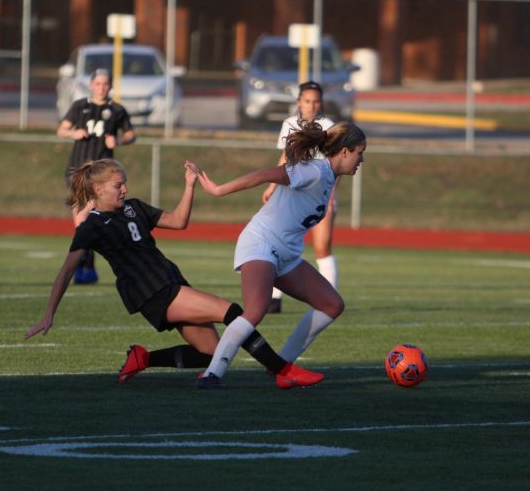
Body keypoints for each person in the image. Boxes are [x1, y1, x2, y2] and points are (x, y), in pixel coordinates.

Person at [24, 158, 324, 391]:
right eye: (118, 185)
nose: (124, 189)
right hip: (153, 291)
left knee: (209, 352)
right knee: (233, 312)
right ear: (98, 189)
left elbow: (179, 221)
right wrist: (49, 313)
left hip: (170, 281)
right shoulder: (90, 225)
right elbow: (66, 271)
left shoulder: (134, 208)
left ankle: (144, 358)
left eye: (124, 183)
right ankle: (283, 371)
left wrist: (189, 185)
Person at [194, 120, 366, 387]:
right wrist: (219, 190)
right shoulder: (315, 171)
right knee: (257, 308)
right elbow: (265, 174)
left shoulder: (328, 177)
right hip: (261, 243)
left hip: (286, 255)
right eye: (359, 152)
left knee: (332, 305)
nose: (361, 159)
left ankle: (281, 368)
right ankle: (212, 374)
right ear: (344, 151)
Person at [261, 81, 337, 314]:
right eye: (307, 101)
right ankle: (274, 299)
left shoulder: (329, 127)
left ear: (320, 103)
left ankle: (330, 299)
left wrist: (330, 197)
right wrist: (272, 186)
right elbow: (286, 157)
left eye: (316, 101)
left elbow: (335, 165)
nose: (311, 105)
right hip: (293, 195)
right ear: (299, 102)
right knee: (281, 243)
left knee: (321, 246)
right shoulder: (290, 124)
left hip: (318, 195)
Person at [56, 69, 136, 285]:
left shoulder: (117, 110)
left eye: (105, 83)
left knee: (95, 222)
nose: (101, 87)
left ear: (110, 87)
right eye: (98, 83)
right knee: (83, 220)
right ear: (91, 85)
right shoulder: (80, 106)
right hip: (78, 172)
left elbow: (131, 134)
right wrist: (74, 133)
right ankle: (85, 268)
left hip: (103, 176)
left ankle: (88, 267)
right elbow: (61, 130)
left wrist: (118, 142)